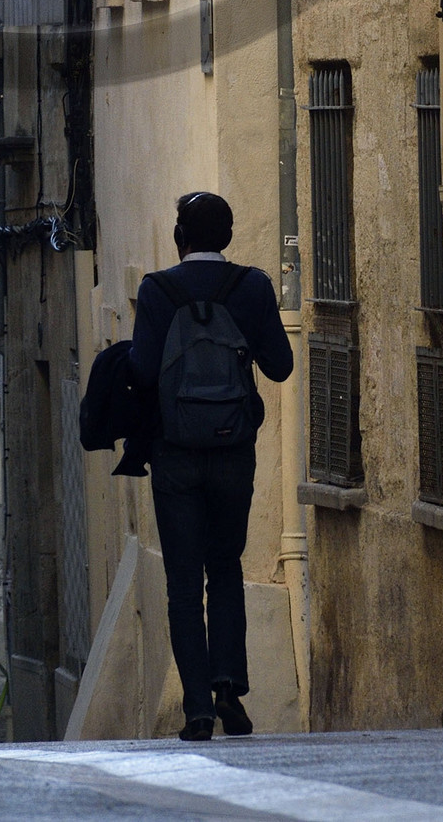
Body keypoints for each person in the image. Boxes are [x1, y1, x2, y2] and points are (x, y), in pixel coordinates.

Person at [129, 190, 294, 741]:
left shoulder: (157, 290)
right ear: (227, 236)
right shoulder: (251, 287)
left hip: (174, 454)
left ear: (182, 237)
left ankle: (196, 708)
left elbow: (145, 372)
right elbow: (281, 366)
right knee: (225, 568)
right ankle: (229, 686)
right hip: (231, 451)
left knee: (182, 581)